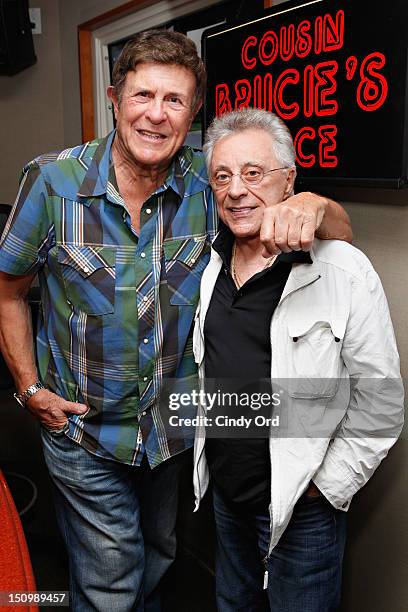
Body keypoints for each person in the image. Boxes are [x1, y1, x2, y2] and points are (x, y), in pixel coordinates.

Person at [0, 30, 351, 611]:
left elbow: (330, 230)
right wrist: (28, 388)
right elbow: (8, 292)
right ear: (114, 98)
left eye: (175, 101)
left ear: (192, 114)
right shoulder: (52, 182)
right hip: (84, 432)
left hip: (173, 436)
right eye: (143, 96)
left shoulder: (208, 184)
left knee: (159, 561)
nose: (156, 115)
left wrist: (314, 204)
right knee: (111, 580)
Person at [192, 108, 404, 612]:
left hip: (298, 507)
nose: (236, 189)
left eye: (253, 173)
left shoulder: (341, 267)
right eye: (223, 176)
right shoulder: (211, 263)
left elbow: (381, 397)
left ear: (288, 180)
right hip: (227, 495)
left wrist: (325, 486)